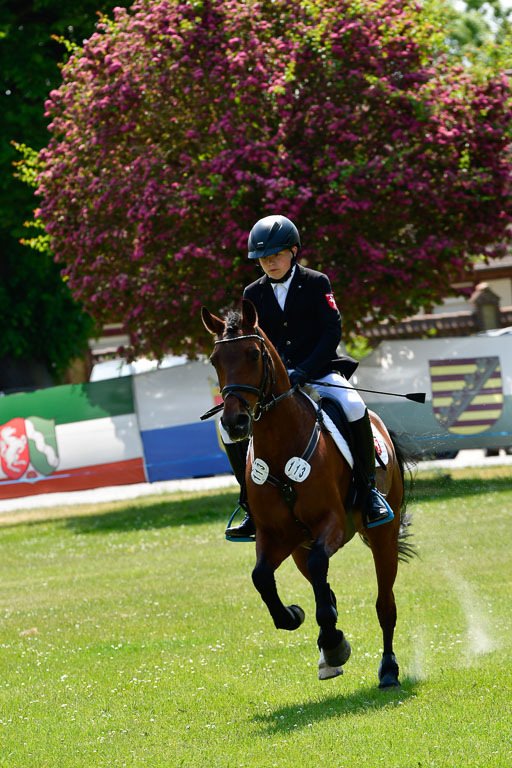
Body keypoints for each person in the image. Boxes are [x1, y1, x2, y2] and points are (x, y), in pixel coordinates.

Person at [222, 214, 394, 539]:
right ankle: (249, 505)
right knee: (228, 430)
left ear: (294, 251)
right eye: (263, 258)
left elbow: (332, 331)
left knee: (354, 406)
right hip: (276, 383)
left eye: (276, 255)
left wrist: (306, 369)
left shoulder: (317, 282)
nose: (269, 263)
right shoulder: (253, 292)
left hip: (320, 370)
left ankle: (369, 491)